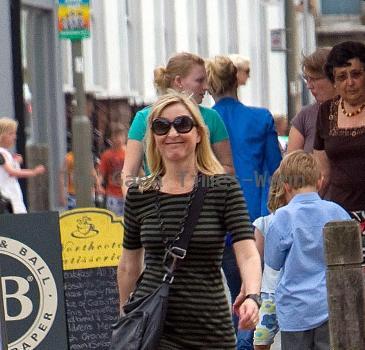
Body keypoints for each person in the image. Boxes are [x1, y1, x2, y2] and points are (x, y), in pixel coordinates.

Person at [117, 92, 262, 349]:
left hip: (210, 327)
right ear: (153, 137)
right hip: (154, 326)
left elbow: (247, 252)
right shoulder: (139, 194)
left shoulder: (223, 187)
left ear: (198, 134)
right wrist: (126, 319)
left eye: (182, 124)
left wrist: (252, 294)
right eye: (161, 127)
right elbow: (129, 264)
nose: (172, 133)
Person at [205, 55, 281, 350]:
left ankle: (243, 342)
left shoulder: (204, 120)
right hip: (253, 217)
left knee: (234, 288)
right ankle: (244, 343)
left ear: (210, 85)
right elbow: (274, 170)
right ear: (237, 78)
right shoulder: (261, 118)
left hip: (216, 217)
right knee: (253, 291)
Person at [264, 151, 350, 350]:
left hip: (295, 309)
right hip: (331, 305)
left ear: (285, 186)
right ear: (320, 181)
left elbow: (273, 262)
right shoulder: (337, 212)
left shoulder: (282, 217)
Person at [121, 52, 234, 197]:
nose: (206, 87)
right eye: (200, 81)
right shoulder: (144, 118)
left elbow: (228, 168)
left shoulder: (211, 117)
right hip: (158, 204)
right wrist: (133, 206)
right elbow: (128, 172)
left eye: (184, 125)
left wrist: (200, 184)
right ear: (179, 81)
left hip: (203, 203)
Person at [313, 41, 365, 261]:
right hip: (341, 216)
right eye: (342, 77)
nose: (350, 83)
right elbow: (321, 175)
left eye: (356, 74)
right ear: (334, 82)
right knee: (344, 286)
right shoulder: (326, 112)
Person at [253, 169, 287, 350]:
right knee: (261, 339)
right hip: (269, 292)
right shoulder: (263, 223)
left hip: (288, 292)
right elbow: (255, 259)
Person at [287, 47, 336, 153]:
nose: (309, 86)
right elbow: (290, 165)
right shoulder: (305, 116)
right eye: (307, 79)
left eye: (314, 79)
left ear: (333, 77)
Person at [0, 117, 45, 213]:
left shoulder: (5, 153)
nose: (14, 137)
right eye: (11, 134)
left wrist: (15, 162)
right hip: (7, 194)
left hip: (11, 192)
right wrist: (33, 172)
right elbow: (11, 172)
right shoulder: (2, 153)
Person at [98, 127, 126, 216]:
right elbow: (101, 173)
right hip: (112, 194)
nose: (118, 139)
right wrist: (98, 185)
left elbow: (138, 171)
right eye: (116, 136)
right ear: (110, 139)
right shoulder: (106, 155)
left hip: (128, 192)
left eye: (121, 136)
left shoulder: (129, 152)